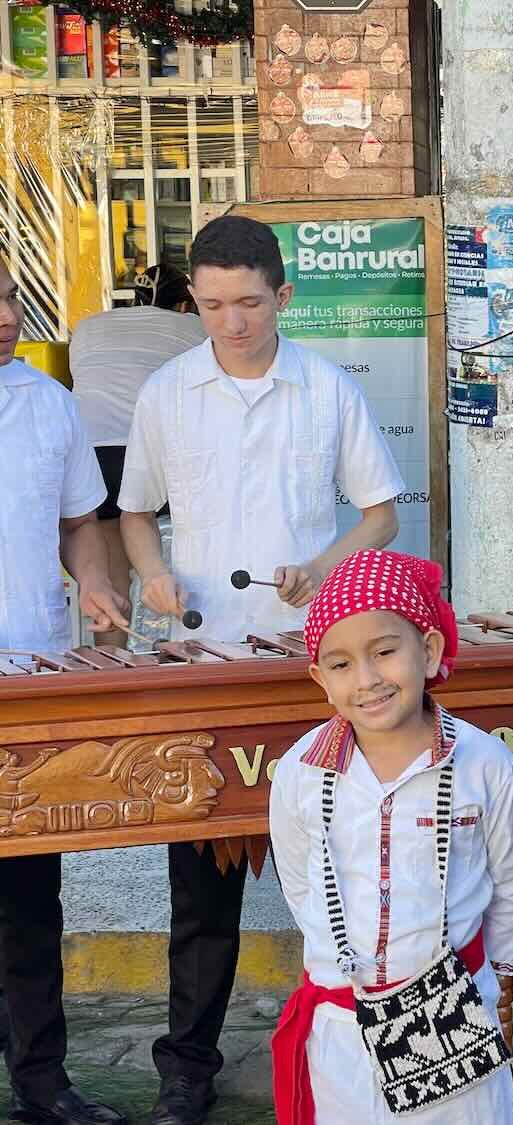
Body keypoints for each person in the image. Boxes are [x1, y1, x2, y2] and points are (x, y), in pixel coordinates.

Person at [116, 215, 405, 1125]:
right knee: (201, 890)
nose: (230, 323)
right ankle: (186, 1069)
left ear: (283, 295)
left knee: (340, 866)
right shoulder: (167, 392)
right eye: (211, 306)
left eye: (247, 303)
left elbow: (382, 513)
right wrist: (151, 572)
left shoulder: (325, 390)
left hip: (312, 669)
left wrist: (325, 567)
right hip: (202, 662)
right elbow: (133, 512)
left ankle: (366, 1041)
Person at [269, 549, 513, 1123]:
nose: (367, 680)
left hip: (455, 1010)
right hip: (341, 1028)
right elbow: (301, 887)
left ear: (430, 649)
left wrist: (500, 973)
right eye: (340, 665)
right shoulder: (298, 774)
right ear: (319, 679)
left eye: (385, 652)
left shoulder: (484, 765)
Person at [0, 259, 133, 1124]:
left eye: (6, 298)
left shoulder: (47, 402)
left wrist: (92, 584)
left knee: (26, 906)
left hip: (30, 682)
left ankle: (43, 1081)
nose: (3, 317)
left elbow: (79, 522)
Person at [68, 262, 206, 646]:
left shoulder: (90, 325)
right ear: (185, 305)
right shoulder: (194, 328)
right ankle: (189, 647)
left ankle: (110, 666)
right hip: (150, 451)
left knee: (112, 571)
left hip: (92, 454)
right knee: (185, 553)